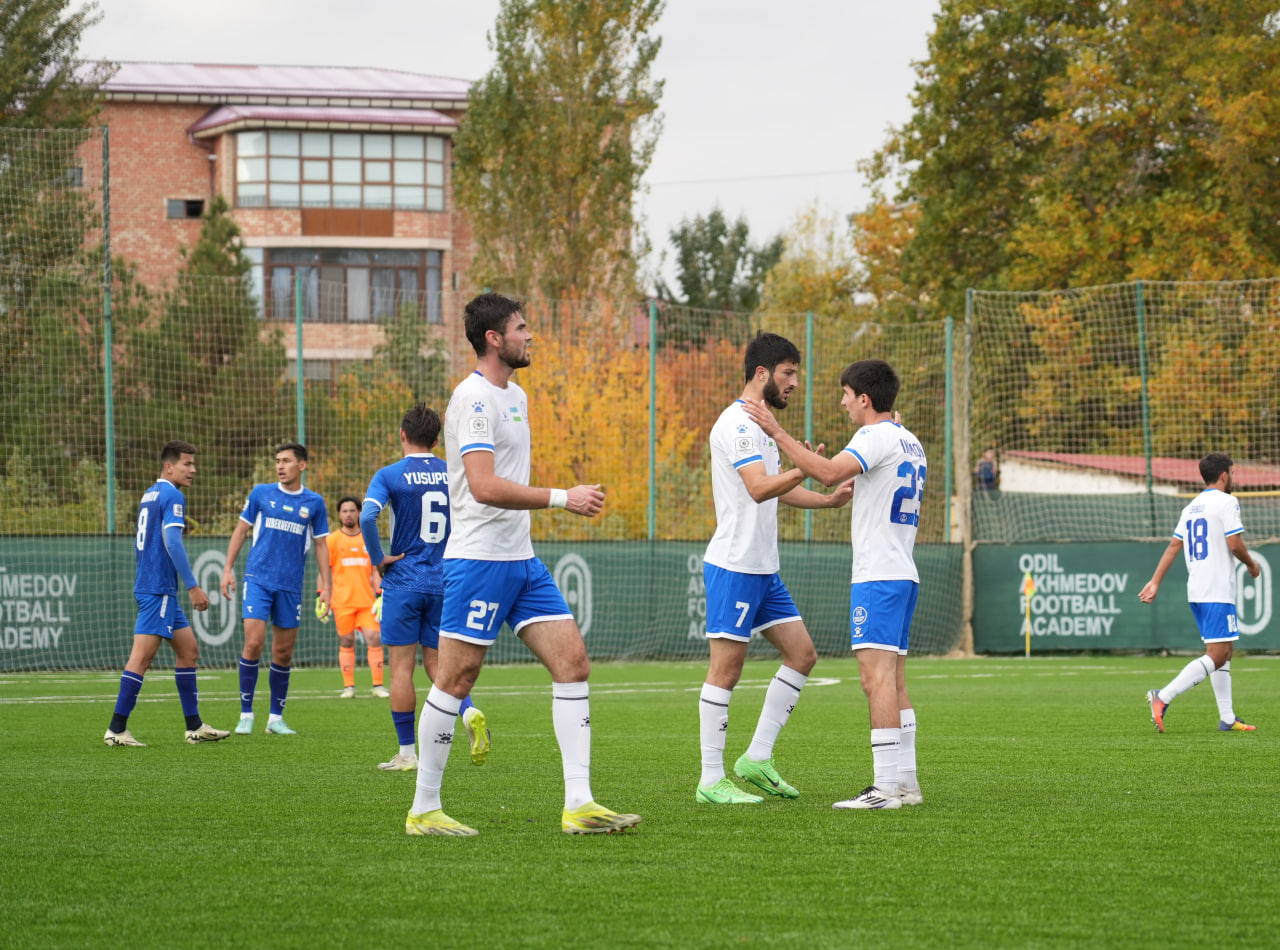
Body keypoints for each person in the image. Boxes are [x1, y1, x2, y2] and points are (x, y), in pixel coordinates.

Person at [406, 292, 640, 837]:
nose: (530, 335)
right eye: (522, 327)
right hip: (479, 559)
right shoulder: (472, 399)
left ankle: (579, 804)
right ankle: (424, 809)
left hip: (522, 559)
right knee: (456, 677)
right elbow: (483, 487)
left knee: (573, 662)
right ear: (494, 338)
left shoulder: (518, 396)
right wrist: (564, 497)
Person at [744, 358, 925, 810]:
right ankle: (906, 783)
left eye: (846, 395)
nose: (842, 403)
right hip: (901, 570)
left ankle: (885, 789)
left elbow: (828, 472)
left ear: (864, 399)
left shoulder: (874, 435)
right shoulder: (908, 439)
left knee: (875, 679)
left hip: (879, 576)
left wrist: (777, 433)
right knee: (894, 680)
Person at [696, 332, 853, 805]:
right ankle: (710, 780)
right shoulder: (739, 425)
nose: (794, 384)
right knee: (726, 669)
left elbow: (779, 489)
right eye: (787, 374)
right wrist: (805, 467)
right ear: (761, 374)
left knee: (802, 654)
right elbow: (759, 488)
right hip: (734, 565)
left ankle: (757, 758)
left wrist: (825, 501)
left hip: (763, 569)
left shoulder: (760, 427)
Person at [361, 405, 489, 773]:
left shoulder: (389, 474)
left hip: (403, 579)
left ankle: (407, 754)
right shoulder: (456, 473)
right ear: (436, 440)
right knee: (439, 665)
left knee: (401, 669)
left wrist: (378, 558)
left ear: (402, 434)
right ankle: (469, 710)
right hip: (446, 580)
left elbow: (368, 516)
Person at [106, 440, 231, 747]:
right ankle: (117, 729)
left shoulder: (150, 493)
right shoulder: (172, 494)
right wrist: (193, 586)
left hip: (157, 588)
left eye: (193, 464)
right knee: (141, 658)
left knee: (188, 651)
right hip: (158, 588)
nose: (193, 469)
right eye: (187, 464)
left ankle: (194, 726)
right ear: (169, 466)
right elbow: (172, 542)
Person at [1139, 452, 1260, 733]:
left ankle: (1227, 718)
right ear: (1224, 475)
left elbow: (1173, 546)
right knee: (1218, 654)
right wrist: (1252, 564)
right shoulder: (1227, 501)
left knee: (1224, 651)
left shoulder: (1191, 507)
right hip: (1216, 588)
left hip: (1198, 589)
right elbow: (1234, 544)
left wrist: (1155, 581)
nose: (1234, 478)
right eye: (1233, 473)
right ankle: (1163, 697)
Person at [220, 442, 331, 736]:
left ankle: (275, 719)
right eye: (278, 461)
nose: (280, 466)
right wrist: (227, 568)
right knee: (253, 644)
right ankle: (245, 714)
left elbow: (321, 545)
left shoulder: (314, 503)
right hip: (258, 579)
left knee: (282, 653)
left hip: (291, 586)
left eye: (286, 461)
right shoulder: (261, 494)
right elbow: (241, 531)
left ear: (302, 465)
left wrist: (326, 586)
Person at [324, 495, 388, 700]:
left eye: (352, 510)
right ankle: (349, 687)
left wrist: (380, 595)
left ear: (360, 513)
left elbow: (376, 571)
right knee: (346, 640)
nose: (348, 514)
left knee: (374, 638)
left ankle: (378, 685)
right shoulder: (332, 540)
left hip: (366, 601)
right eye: (344, 511)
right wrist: (321, 596)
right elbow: (324, 570)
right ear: (339, 514)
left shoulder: (368, 539)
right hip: (342, 601)